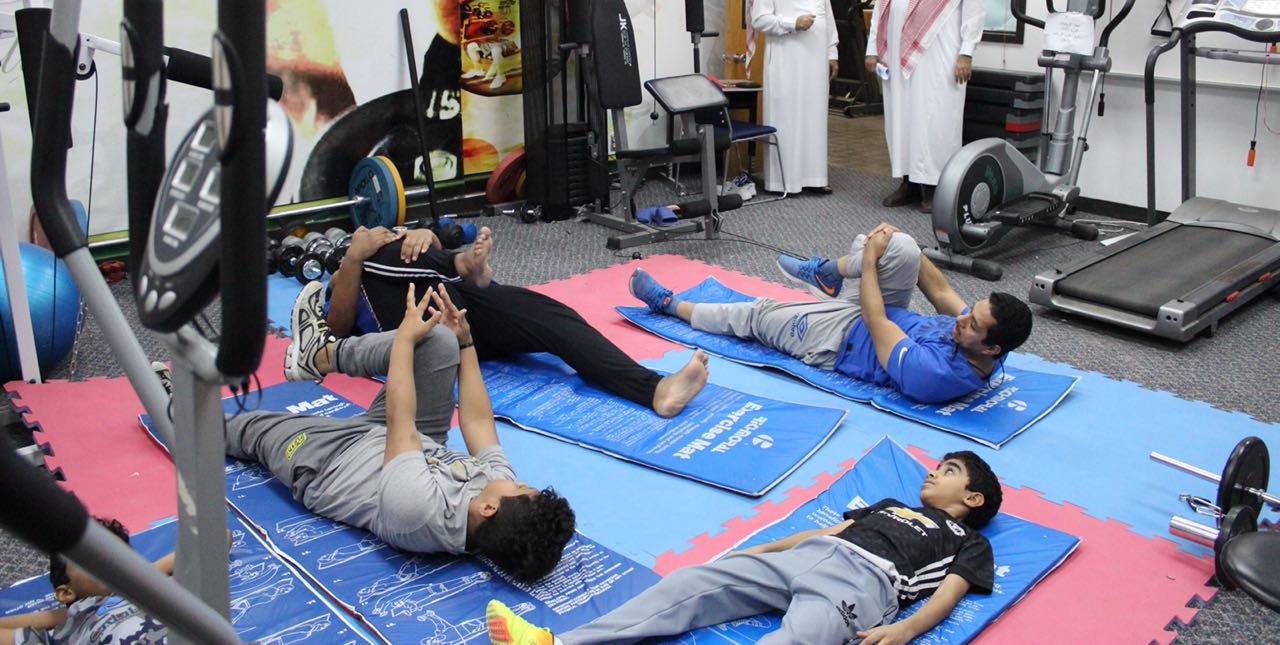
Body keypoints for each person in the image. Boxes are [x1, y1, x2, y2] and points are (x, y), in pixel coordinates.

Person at [227, 282, 576, 582]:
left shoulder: (418, 513)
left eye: (517, 487)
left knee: (253, 430)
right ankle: (319, 355)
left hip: (332, 459)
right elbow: (479, 423)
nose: (515, 480)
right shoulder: (494, 499)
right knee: (440, 340)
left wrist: (404, 343)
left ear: (487, 509)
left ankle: (177, 417)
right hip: (405, 440)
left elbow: (401, 421)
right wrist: (467, 344)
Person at [484, 449, 1002, 644]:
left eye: (949, 471)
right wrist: (759, 553)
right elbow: (828, 533)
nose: (933, 471)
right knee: (689, 582)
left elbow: (949, 594)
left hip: (864, 587)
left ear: (972, 497)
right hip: (814, 558)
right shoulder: (890, 503)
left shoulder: (967, 540)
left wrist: (905, 629)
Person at [308, 225, 709, 418]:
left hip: (465, 311)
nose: (374, 233)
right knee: (383, 256)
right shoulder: (348, 274)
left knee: (556, 318)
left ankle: (655, 389)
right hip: (420, 334)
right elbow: (340, 328)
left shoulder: (393, 251)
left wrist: (425, 237)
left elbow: (416, 257)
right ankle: (461, 264)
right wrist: (354, 258)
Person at [627, 223, 1033, 405]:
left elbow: (876, 323)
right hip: (881, 310)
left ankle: (669, 304)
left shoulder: (936, 375)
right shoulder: (990, 343)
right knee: (902, 246)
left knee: (756, 316)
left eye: (973, 324)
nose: (963, 319)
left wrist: (872, 261)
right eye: (971, 313)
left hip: (841, 340)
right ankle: (827, 274)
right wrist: (900, 241)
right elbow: (941, 289)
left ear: (992, 347)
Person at [866, 0, 984, 214]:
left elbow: (974, 13)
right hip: (896, 57)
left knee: (934, 121)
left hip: (940, 59)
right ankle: (907, 182)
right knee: (901, 120)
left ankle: (934, 187)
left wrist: (966, 53)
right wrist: (873, 48)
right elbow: (882, 7)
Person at [745, 0, 839, 196]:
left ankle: (815, 177)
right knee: (787, 118)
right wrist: (791, 23)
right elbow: (759, 19)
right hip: (786, 62)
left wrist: (832, 53)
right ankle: (783, 181)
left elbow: (828, 19)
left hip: (815, 61)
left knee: (814, 118)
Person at [0, 517, 172, 644]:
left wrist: (140, 580)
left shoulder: (161, 590)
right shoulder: (70, 633)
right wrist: (68, 615)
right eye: (92, 556)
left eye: (119, 554)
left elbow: (184, 556)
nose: (111, 559)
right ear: (66, 592)